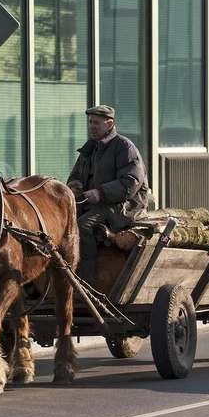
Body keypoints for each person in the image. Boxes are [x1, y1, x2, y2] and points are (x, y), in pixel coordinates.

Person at [66, 105, 153, 285]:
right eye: (90, 122)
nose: (92, 126)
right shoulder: (90, 149)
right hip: (96, 205)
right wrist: (75, 186)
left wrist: (100, 192)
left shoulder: (124, 147)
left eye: (97, 123)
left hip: (124, 206)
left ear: (110, 124)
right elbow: (74, 176)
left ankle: (86, 283)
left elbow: (131, 181)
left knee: (83, 225)